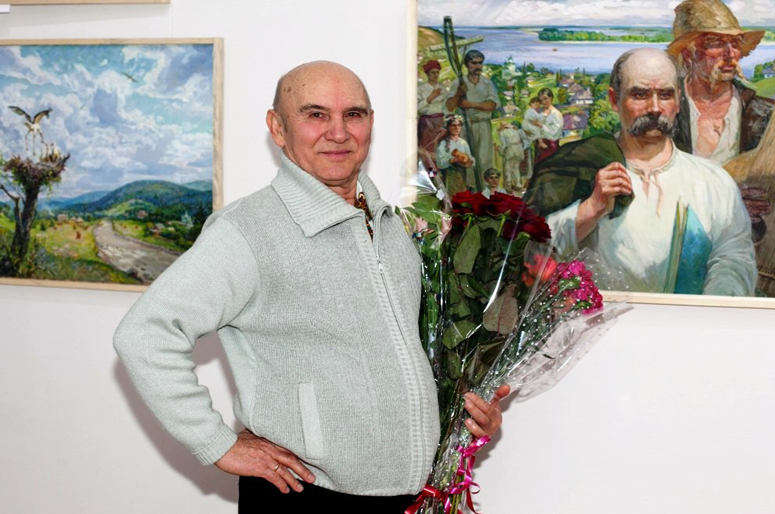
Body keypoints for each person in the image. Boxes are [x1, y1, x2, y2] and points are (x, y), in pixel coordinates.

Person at [113, 61, 508, 512]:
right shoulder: (247, 230)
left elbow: (405, 356)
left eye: (353, 114)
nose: (338, 133)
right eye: (316, 114)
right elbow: (145, 334)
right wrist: (216, 443)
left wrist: (462, 414)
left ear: (371, 123)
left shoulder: (393, 227)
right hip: (306, 495)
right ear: (277, 128)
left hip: (414, 494)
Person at [528, 48, 756, 295]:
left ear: (678, 101)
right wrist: (590, 210)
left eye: (665, 95)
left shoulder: (713, 181)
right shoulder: (579, 167)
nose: (655, 108)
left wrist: (704, 310)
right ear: (614, 99)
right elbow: (530, 255)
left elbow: (735, 260)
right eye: (640, 95)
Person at [666, 0, 775, 165]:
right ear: (688, 52)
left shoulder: (764, 112)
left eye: (735, 43)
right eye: (716, 43)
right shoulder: (665, 108)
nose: (730, 53)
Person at [445, 49, 499, 190]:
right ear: (467, 64)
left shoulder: (487, 83)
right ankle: (470, 189)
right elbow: (450, 106)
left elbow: (492, 105)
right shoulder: (459, 82)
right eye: (474, 63)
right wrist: (458, 94)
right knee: (466, 158)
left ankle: (484, 190)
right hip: (464, 127)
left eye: (480, 63)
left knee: (484, 159)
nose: (477, 66)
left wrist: (471, 104)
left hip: (483, 125)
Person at [417, 59, 446, 169]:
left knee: (439, 148)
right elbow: (417, 108)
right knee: (427, 149)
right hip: (427, 123)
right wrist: (430, 97)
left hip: (440, 122)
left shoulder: (442, 88)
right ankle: (429, 173)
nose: (435, 75)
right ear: (427, 74)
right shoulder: (421, 88)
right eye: (433, 72)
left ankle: (439, 174)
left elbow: (446, 106)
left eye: (437, 72)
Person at [436, 114, 474, 194]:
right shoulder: (443, 143)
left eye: (459, 125)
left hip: (462, 176)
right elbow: (440, 163)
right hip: (449, 176)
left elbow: (470, 158)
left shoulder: (463, 143)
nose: (456, 128)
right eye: (453, 125)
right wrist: (452, 160)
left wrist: (469, 161)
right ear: (448, 127)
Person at [531, 88, 563, 163]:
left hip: (550, 146)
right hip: (540, 145)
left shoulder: (556, 114)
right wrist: (540, 141)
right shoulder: (540, 113)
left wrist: (542, 126)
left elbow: (555, 131)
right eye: (541, 100)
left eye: (545, 99)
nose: (543, 102)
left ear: (551, 98)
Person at [496, 121, 525, 194]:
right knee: (516, 168)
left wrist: (500, 151)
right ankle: (518, 185)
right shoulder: (515, 131)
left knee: (507, 169)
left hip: (510, 151)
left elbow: (504, 145)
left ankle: (508, 187)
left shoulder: (502, 133)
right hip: (519, 150)